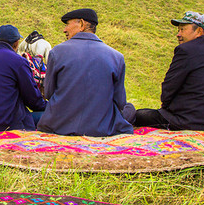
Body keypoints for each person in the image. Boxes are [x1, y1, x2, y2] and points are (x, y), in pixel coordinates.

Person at [37, 8, 133, 137]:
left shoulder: (57, 52)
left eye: (67, 24)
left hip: (59, 126)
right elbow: (120, 101)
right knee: (130, 108)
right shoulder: (117, 57)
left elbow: (49, 93)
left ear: (81, 24)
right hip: (102, 128)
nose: (64, 29)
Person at [130, 11, 204, 130]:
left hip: (190, 122)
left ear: (199, 31)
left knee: (139, 115)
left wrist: (166, 110)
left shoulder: (186, 50)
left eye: (183, 29)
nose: (178, 34)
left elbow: (169, 87)